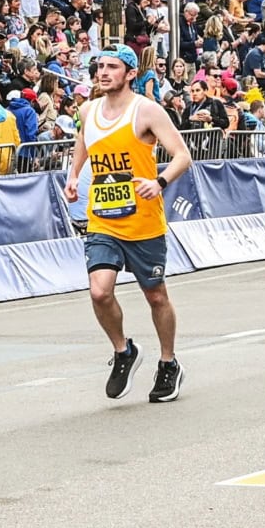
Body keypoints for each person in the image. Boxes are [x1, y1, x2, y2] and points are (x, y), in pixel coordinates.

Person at [63, 46, 194, 402]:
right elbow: (83, 142)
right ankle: (124, 352)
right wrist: (74, 176)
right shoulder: (88, 109)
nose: (103, 72)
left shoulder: (146, 110)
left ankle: (169, 363)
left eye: (112, 67)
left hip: (143, 220)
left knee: (155, 295)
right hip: (103, 218)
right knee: (99, 290)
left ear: (130, 73)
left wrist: (160, 182)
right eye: (99, 66)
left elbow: (182, 155)